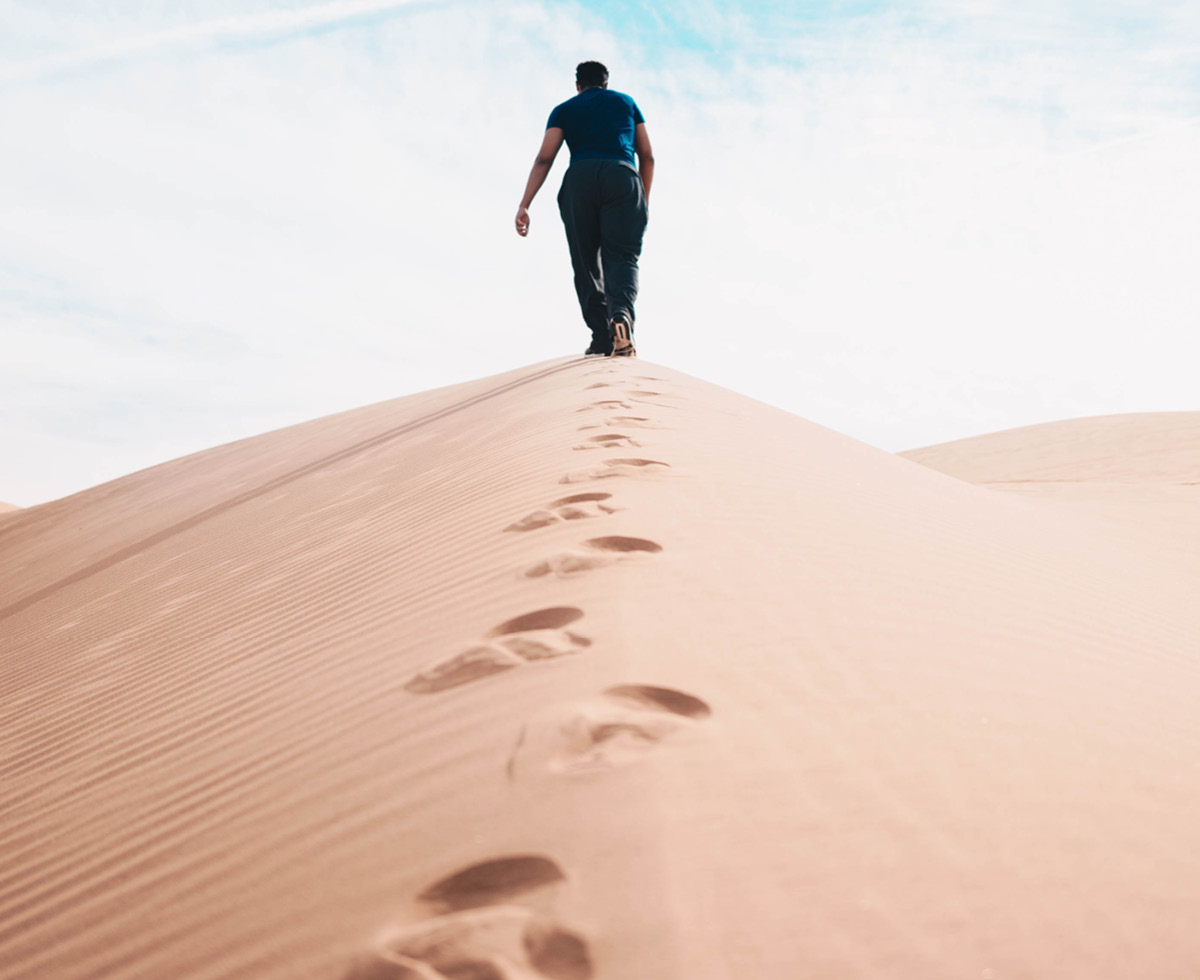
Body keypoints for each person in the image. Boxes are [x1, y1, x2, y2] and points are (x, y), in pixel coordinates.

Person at [515, 61, 654, 357]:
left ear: (578, 86)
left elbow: (544, 158)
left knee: (586, 261)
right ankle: (622, 317)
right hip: (623, 176)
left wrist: (525, 204)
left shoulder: (564, 109)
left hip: (580, 179)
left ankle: (602, 337)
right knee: (622, 256)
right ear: (606, 83)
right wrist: (643, 198)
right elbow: (648, 156)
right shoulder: (627, 103)